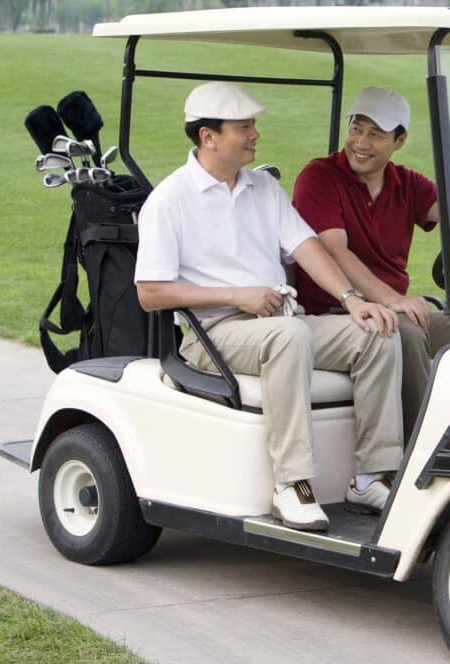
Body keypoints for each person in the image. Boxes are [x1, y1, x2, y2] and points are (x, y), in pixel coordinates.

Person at [134, 82, 403, 533]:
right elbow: (151, 293)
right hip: (212, 333)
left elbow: (307, 247)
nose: (255, 134)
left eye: (253, 125)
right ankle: (291, 484)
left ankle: (370, 476)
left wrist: (352, 301)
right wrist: (235, 295)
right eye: (244, 127)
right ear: (209, 137)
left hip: (277, 322)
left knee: (376, 333)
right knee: (290, 335)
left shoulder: (262, 187)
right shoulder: (169, 200)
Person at [292, 86, 450, 438]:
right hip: (339, 310)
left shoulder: (406, 183)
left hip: (392, 306)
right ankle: (421, 447)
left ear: (399, 140)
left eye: (376, 134)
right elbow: (335, 252)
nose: (361, 142)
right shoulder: (320, 177)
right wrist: (391, 299)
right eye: (356, 129)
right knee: (405, 333)